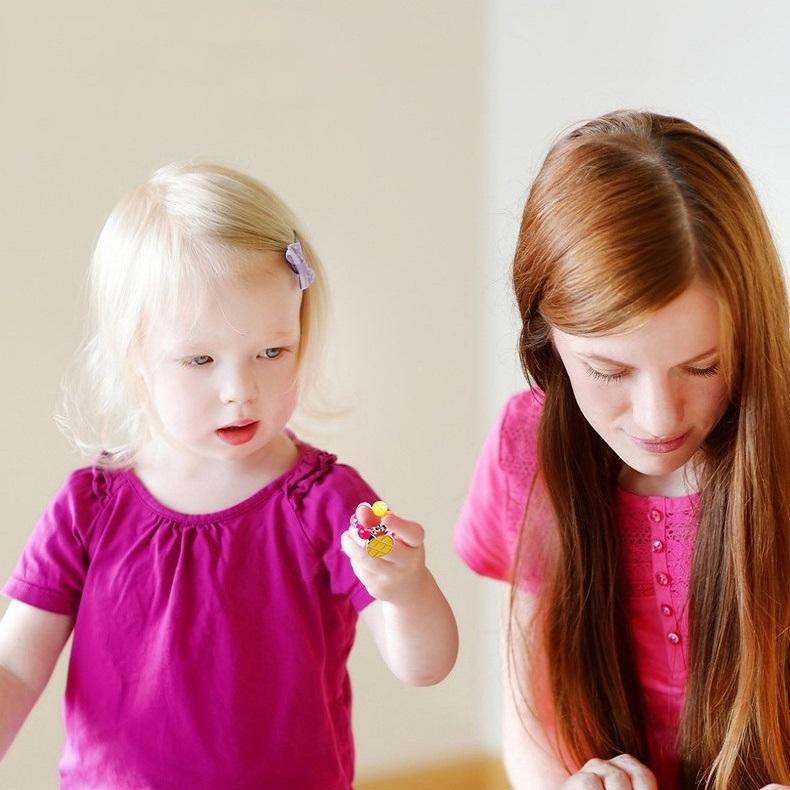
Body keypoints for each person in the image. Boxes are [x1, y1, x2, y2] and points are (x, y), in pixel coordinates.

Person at [0, 162, 458, 789]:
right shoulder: (89, 507)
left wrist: (407, 590)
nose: (240, 390)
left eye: (271, 352)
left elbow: (424, 666)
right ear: (135, 358)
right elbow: (17, 667)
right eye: (200, 359)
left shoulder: (332, 503)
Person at [454, 111, 790, 789]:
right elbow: (529, 713)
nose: (659, 417)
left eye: (703, 366)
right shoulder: (526, 448)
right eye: (609, 371)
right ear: (546, 339)